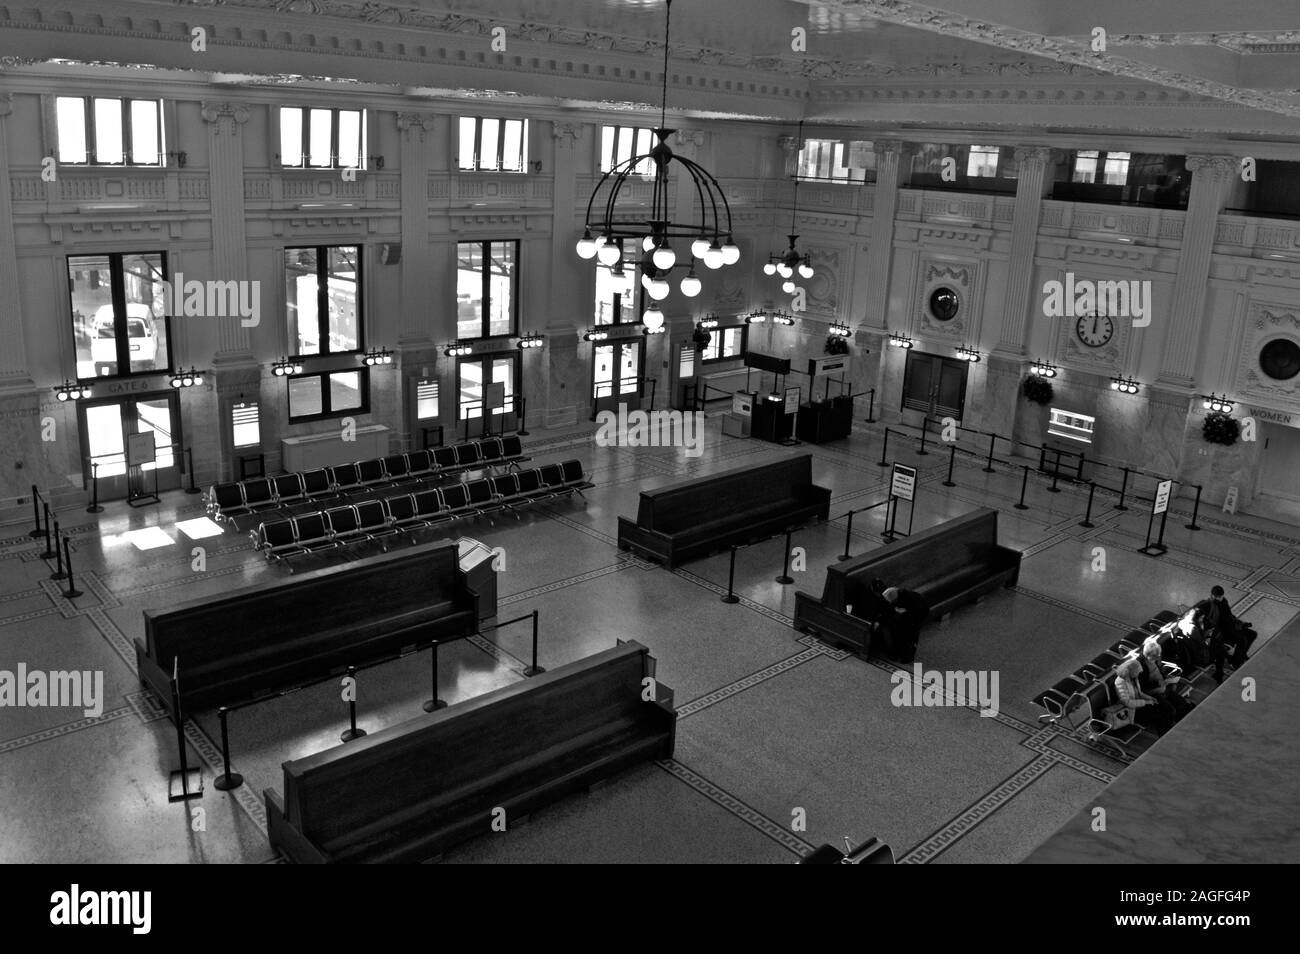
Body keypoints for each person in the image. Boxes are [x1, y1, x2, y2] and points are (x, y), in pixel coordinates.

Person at [1194, 586, 1255, 682]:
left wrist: (1241, 623)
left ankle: (1240, 656)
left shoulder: (1224, 601)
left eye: (1221, 597)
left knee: (1252, 634)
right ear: (1212, 596)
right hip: (1222, 631)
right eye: (1218, 597)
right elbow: (1198, 612)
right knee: (1242, 640)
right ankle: (1235, 662)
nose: (1220, 599)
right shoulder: (1209, 605)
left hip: (1231, 627)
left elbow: (1229, 616)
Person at [1114, 656, 1172, 736]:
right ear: (1130, 671)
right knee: (1159, 714)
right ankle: (1165, 735)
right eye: (1137, 672)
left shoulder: (1133, 678)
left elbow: (1140, 693)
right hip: (1132, 712)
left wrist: (1151, 698)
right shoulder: (1120, 682)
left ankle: (1168, 733)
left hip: (1139, 706)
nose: (1138, 674)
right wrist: (1146, 702)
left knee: (1163, 707)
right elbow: (1127, 702)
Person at [1137, 637, 1192, 722]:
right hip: (1153, 694)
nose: (1157, 658)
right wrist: (1159, 683)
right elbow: (1142, 687)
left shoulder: (1152, 660)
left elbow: (1159, 672)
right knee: (1171, 710)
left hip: (1162, 688)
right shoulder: (1141, 667)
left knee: (1182, 703)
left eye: (1158, 656)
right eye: (1155, 656)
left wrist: (1166, 678)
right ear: (1147, 655)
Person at [881, 586, 930, 664]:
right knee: (903, 635)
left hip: (919, 615)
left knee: (909, 636)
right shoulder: (897, 594)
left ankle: (907, 657)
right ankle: (901, 654)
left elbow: (914, 614)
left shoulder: (909, 600)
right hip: (912, 614)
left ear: (895, 600)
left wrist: (903, 613)